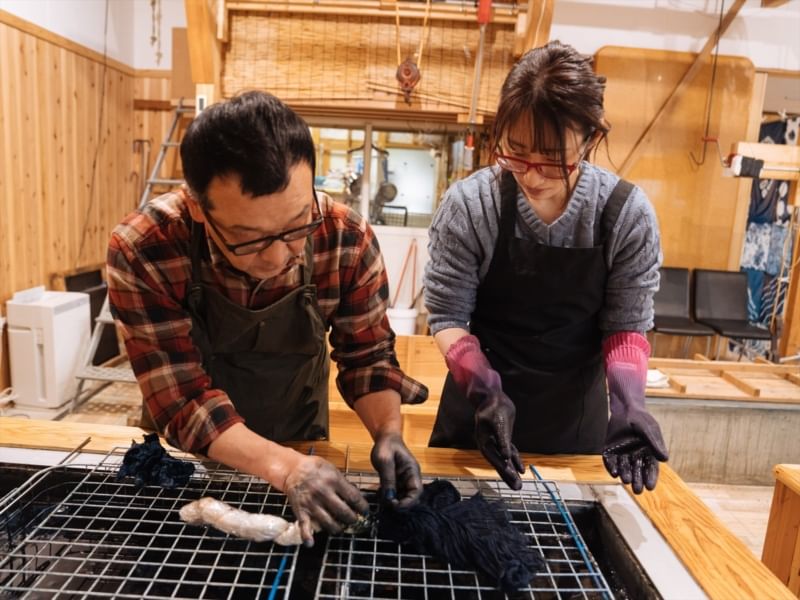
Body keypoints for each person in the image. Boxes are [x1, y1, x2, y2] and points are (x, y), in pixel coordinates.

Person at [107, 91, 428, 545]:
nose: (278, 258)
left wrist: (388, 432)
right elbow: (182, 399)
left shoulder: (346, 238)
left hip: (299, 437)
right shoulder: (145, 247)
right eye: (249, 239)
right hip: (188, 460)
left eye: (297, 226)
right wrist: (285, 468)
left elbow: (367, 357)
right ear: (197, 207)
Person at [423, 41, 668, 495]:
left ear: (590, 139)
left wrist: (629, 403)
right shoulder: (471, 205)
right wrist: (484, 389)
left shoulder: (624, 215)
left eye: (553, 160)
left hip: (573, 430)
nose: (532, 176)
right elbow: (448, 315)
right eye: (515, 152)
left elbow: (625, 326)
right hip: (477, 421)